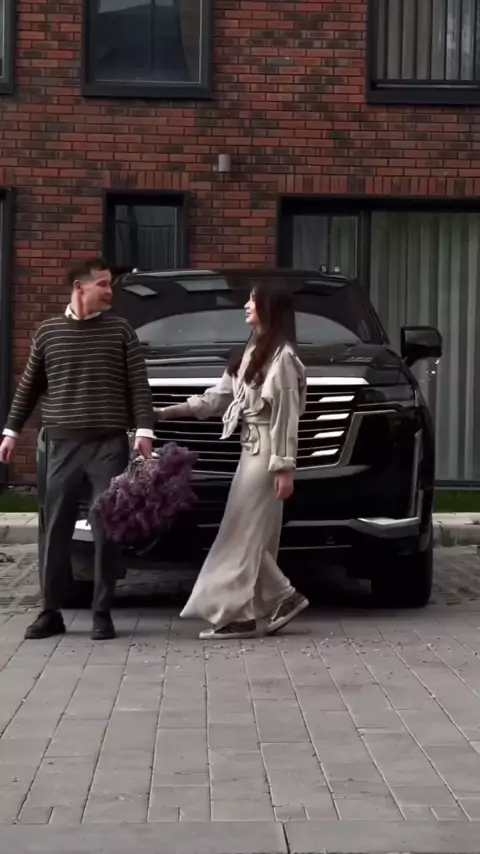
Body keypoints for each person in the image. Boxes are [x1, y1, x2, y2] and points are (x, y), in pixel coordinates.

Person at [0, 258, 154, 641]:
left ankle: (102, 612)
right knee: (55, 527)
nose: (110, 291)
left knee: (106, 528)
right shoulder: (48, 332)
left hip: (108, 444)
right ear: (79, 287)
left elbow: (138, 384)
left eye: (110, 284)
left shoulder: (120, 331)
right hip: (60, 444)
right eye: (103, 284)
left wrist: (144, 430)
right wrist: (11, 431)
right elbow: (29, 386)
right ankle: (50, 611)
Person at [156, 278, 309, 640]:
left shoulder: (283, 358)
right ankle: (278, 599)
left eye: (253, 300)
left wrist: (284, 467)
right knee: (249, 535)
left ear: (269, 307)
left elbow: (286, 417)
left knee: (240, 535)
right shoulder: (252, 352)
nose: (246, 305)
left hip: (266, 455)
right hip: (251, 451)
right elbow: (217, 398)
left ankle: (243, 613)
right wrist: (165, 413)